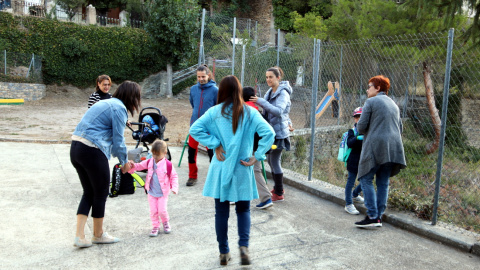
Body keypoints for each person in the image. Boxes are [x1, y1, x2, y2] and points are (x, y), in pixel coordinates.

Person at [189, 75, 275, 266]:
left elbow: (194, 129)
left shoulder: (214, 112)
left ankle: (223, 252)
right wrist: (258, 155)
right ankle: (243, 247)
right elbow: (269, 132)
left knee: (221, 211)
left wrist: (215, 144)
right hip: (243, 166)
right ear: (238, 90)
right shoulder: (250, 112)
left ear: (221, 91)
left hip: (221, 166)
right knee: (244, 209)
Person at [70, 80, 141, 248]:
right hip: (91, 149)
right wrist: (124, 163)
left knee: (89, 192)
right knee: (101, 192)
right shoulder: (119, 108)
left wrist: (122, 159)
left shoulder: (107, 103)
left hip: (76, 148)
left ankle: (80, 236)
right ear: (132, 97)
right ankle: (98, 235)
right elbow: (118, 141)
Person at [355, 75, 407, 228]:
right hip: (393, 149)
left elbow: (361, 127)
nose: (367, 89)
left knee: (365, 178)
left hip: (375, 147)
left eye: (370, 86)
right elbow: (400, 128)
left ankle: (371, 215)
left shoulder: (371, 101)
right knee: (383, 182)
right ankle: (378, 217)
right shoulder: (394, 104)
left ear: (378, 88)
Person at [250, 66, 293, 202]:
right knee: (271, 160)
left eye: (271, 77)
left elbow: (279, 111)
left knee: (274, 161)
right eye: (267, 77)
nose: (268, 79)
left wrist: (260, 101)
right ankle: (278, 187)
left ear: (278, 78)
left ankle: (279, 192)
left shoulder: (283, 93)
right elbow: (284, 113)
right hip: (272, 132)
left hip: (279, 134)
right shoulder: (270, 91)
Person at [127, 139, 179, 237]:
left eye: (157, 155)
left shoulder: (168, 165)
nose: (155, 157)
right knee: (153, 211)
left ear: (165, 153)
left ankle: (165, 222)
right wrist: (133, 165)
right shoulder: (150, 162)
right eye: (153, 154)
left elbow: (174, 176)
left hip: (162, 193)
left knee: (162, 210)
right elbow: (139, 166)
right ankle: (155, 226)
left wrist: (174, 187)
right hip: (151, 192)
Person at [187, 65, 219, 186]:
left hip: (210, 128)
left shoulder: (215, 90)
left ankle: (214, 177)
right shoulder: (193, 89)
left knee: (212, 153)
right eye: (198, 77)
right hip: (194, 126)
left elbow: (218, 107)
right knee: (191, 152)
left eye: (203, 76)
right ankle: (192, 176)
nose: (201, 79)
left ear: (208, 75)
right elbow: (192, 103)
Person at [243, 86, 273, 209]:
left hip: (249, 147)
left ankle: (266, 198)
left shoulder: (243, 111)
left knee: (252, 170)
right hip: (259, 147)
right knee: (254, 170)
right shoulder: (259, 112)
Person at [344, 107, 365, 215]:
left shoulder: (368, 129)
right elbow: (350, 143)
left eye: (361, 116)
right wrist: (358, 138)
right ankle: (348, 204)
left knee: (366, 180)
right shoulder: (352, 131)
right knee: (351, 181)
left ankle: (355, 194)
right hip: (353, 160)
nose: (358, 119)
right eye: (356, 117)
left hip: (365, 160)